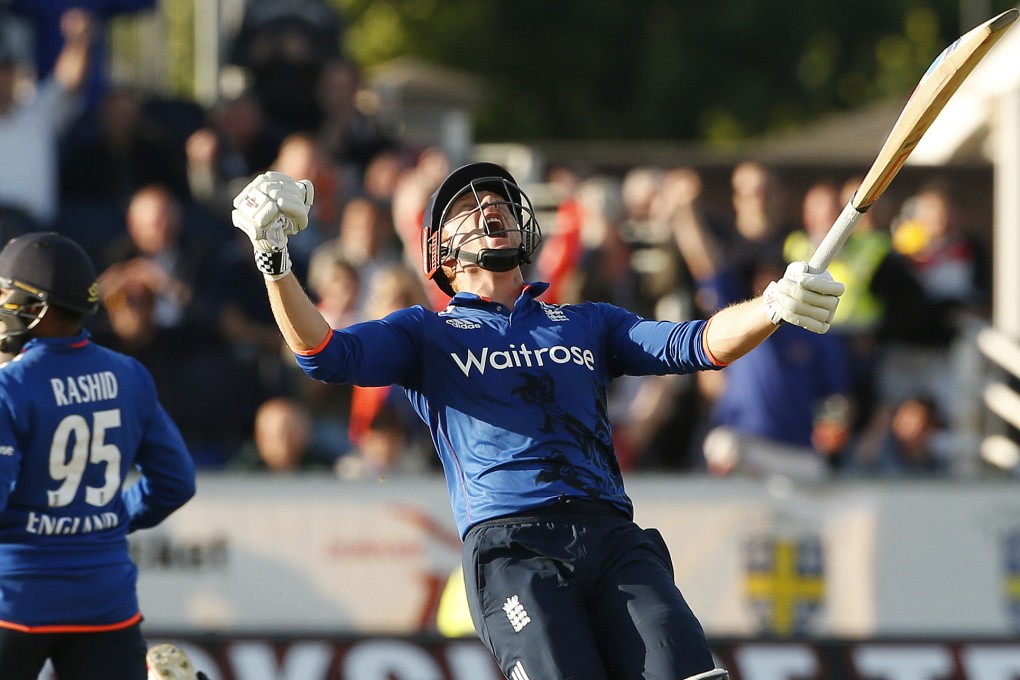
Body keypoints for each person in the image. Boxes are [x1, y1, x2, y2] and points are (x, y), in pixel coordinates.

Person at [229, 163, 845, 680]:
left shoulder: (586, 321)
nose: (487, 207)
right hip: (512, 548)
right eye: (467, 209)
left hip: (612, 538)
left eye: (497, 201)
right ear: (438, 250)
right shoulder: (425, 332)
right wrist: (274, 261)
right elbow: (324, 355)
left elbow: (697, 342)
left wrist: (771, 306)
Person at [0, 232, 196, 680]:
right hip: (106, 601)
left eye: (2, 291)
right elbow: (176, 483)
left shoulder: (9, 388)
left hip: (14, 599)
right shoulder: (129, 374)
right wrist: (102, 519)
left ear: (35, 306)